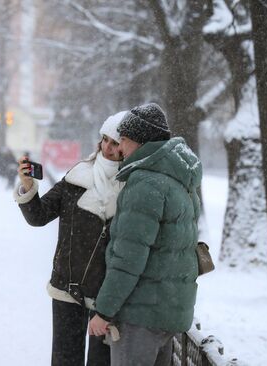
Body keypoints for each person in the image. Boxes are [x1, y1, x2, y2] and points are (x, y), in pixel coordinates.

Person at [88, 103, 202, 366]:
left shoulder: (145, 184)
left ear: (139, 141)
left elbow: (128, 259)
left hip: (140, 316)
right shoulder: (178, 180)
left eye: (123, 141)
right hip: (169, 312)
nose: (118, 149)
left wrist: (103, 312)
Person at [13, 112, 126, 366]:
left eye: (116, 142)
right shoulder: (77, 176)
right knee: (65, 360)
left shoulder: (132, 186)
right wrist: (28, 186)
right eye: (105, 139)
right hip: (68, 287)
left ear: (126, 147)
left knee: (101, 362)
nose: (108, 147)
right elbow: (39, 216)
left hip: (106, 296)